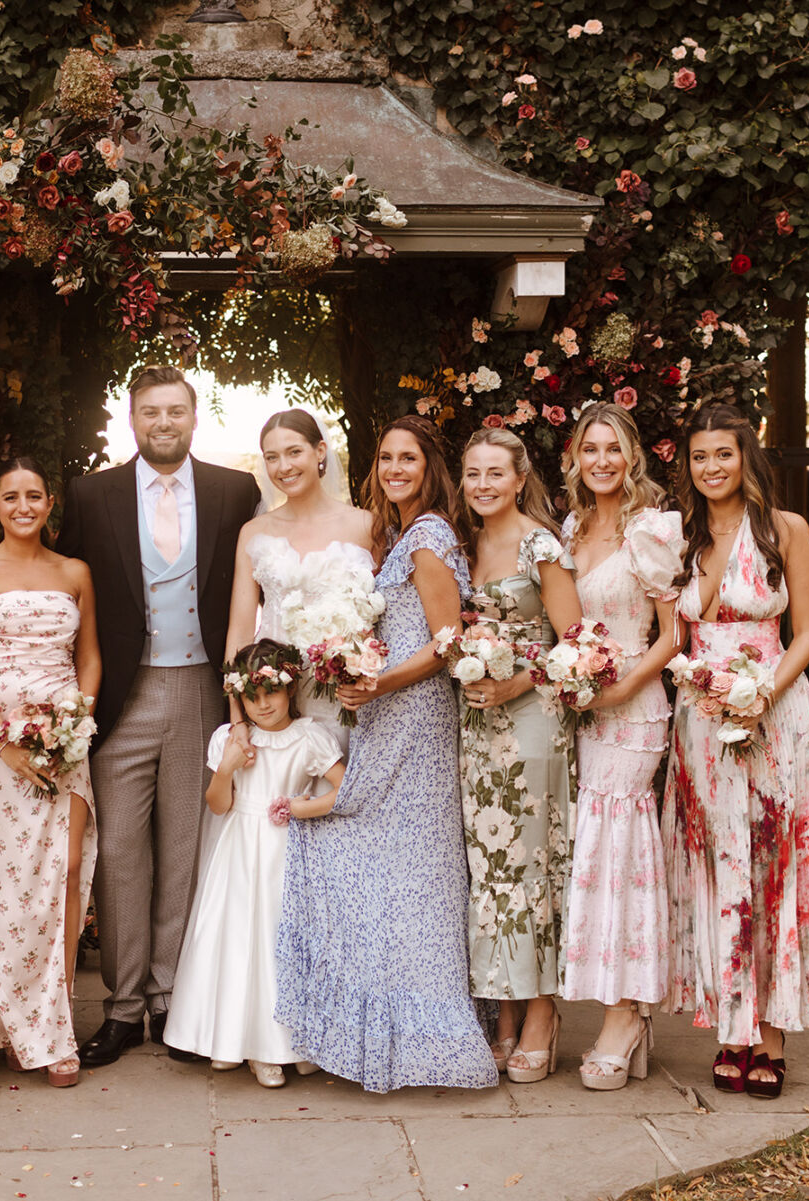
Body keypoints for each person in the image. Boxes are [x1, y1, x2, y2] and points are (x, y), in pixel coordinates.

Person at [276, 415, 498, 1094]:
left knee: (407, 861)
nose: (397, 468)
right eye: (387, 458)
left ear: (430, 467)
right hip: (387, 711)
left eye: (409, 458)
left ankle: (428, 1032)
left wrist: (381, 680)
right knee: (397, 863)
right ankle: (388, 1026)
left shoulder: (427, 537)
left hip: (418, 717)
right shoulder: (399, 535)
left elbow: (447, 642)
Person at [56, 365, 261, 1067]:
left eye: (175, 410)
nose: (163, 422)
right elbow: (70, 593)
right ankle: (121, 1007)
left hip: (202, 687)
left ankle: (174, 1001)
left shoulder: (236, 491)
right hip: (124, 691)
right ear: (132, 419)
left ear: (194, 418)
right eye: (150, 411)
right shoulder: (91, 494)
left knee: (184, 851)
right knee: (119, 854)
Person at [663, 404, 809, 1098]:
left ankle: (771, 1032)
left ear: (746, 459)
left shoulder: (784, 531)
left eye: (724, 455)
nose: (712, 467)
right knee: (718, 861)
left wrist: (763, 691)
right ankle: (730, 1029)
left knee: (772, 859)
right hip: (701, 719)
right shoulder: (677, 538)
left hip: (774, 710)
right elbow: (675, 630)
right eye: (700, 456)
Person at [0, 458, 101, 1088]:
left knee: (64, 874)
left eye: (33, 496)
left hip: (67, 743)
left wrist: (75, 726)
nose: (22, 506)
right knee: (5, 886)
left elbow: (89, 658)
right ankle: (16, 1026)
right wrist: (8, 744)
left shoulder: (74, 572)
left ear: (49, 504)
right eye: (9, 496)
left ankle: (54, 1019)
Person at [556, 402, 686, 1092]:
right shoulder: (573, 526)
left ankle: (627, 1011)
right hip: (584, 706)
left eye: (613, 448)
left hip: (634, 709)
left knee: (621, 853)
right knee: (592, 854)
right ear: (575, 456)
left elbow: (674, 635)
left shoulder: (651, 530)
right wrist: (577, 683)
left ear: (631, 457)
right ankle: (622, 1003)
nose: (601, 460)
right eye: (590, 448)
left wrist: (617, 687)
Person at [455, 427, 582, 1083]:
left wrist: (518, 679)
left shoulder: (542, 543)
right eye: (473, 473)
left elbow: (575, 642)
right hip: (476, 727)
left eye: (494, 473)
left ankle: (540, 1011)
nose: (482, 484)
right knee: (489, 870)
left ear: (518, 475)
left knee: (530, 869)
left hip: (531, 721)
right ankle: (501, 1013)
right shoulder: (465, 542)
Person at [163, 640, 344, 1087]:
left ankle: (281, 1044)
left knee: (277, 940)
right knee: (238, 940)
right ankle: (238, 1041)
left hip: (288, 850)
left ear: (291, 688)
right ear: (240, 697)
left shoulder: (310, 737)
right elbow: (219, 806)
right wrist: (226, 769)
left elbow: (344, 792)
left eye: (272, 693)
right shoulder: (230, 739)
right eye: (252, 696)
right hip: (240, 848)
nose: (263, 705)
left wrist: (302, 808)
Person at [224, 409, 376, 749]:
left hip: (347, 696)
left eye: (294, 452)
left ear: (320, 452)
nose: (284, 467)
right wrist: (237, 717)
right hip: (275, 700)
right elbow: (239, 630)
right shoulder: (253, 532)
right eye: (272, 457)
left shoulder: (366, 526)